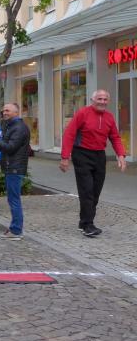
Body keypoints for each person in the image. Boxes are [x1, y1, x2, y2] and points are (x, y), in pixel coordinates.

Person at [59, 89, 127, 237]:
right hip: (82, 154)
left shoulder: (109, 117)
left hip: (99, 155)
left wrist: (121, 155)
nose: (102, 102)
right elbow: (69, 134)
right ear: (92, 100)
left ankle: (83, 222)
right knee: (87, 190)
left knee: (96, 190)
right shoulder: (83, 113)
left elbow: (115, 137)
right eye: (99, 99)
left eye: (105, 99)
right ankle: (88, 224)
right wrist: (65, 157)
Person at [0, 102, 31, 241]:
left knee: (14, 200)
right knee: (12, 199)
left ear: (16, 112)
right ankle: (15, 228)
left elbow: (10, 148)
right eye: (3, 111)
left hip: (15, 167)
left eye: (8, 110)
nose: (4, 113)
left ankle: (16, 230)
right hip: (11, 166)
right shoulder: (11, 126)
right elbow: (5, 147)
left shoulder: (19, 127)